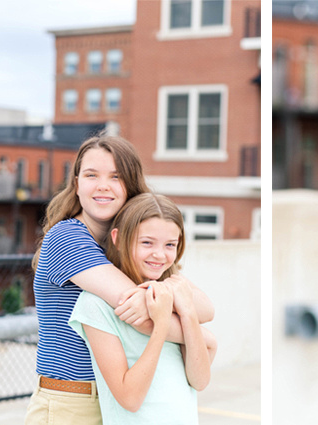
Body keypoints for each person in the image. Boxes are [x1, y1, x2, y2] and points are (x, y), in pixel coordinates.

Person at [26, 135, 214, 425]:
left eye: (115, 177)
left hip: (118, 404)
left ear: (131, 186)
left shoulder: (133, 245)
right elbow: (139, 311)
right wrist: (200, 337)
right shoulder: (68, 238)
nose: (103, 185)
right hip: (74, 402)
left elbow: (204, 308)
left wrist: (173, 299)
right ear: (76, 184)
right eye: (91, 175)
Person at [69, 193, 216, 424]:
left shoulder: (174, 296)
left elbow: (200, 381)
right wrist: (160, 325)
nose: (159, 254)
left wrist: (187, 312)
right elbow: (130, 399)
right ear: (118, 238)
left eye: (170, 245)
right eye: (147, 242)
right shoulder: (95, 305)